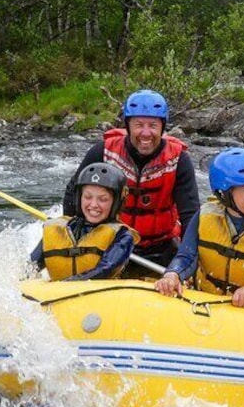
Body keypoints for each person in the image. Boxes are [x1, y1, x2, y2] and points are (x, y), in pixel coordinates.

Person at [62, 89, 200, 272]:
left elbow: (190, 215)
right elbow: (74, 193)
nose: (145, 133)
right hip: (109, 243)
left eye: (153, 125)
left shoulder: (179, 160)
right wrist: (76, 237)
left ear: (162, 127)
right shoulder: (102, 152)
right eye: (138, 125)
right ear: (128, 126)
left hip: (161, 248)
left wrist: (184, 263)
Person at [154, 148, 244, 308]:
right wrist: (173, 274)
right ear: (225, 193)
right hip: (205, 299)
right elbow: (186, 257)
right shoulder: (205, 215)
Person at [32, 162, 139, 280]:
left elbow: (105, 269)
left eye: (103, 199)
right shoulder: (57, 228)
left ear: (116, 203)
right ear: (79, 198)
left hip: (98, 295)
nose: (93, 205)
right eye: (87, 197)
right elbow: (30, 267)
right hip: (57, 293)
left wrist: (66, 285)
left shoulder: (123, 236)